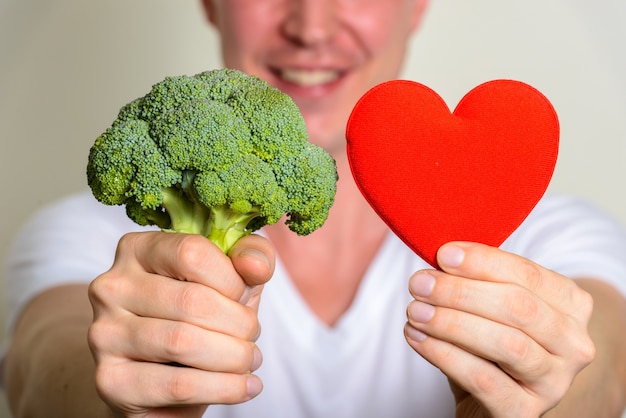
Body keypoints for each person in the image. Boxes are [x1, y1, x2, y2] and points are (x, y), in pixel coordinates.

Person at [3, 0, 626, 417]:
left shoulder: (549, 233)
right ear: (211, 3)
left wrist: (553, 394)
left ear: (417, 5)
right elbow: (39, 368)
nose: (312, 26)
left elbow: (609, 369)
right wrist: (115, 394)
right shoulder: (92, 238)